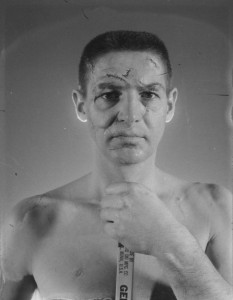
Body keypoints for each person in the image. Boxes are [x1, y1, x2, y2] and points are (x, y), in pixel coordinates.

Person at [0, 30, 232, 300]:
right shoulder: (33, 220)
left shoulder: (214, 208)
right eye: (110, 95)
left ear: (169, 105)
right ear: (81, 105)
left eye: (148, 95)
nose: (130, 115)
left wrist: (170, 241)